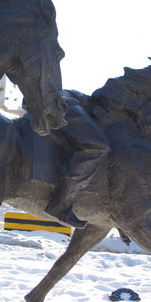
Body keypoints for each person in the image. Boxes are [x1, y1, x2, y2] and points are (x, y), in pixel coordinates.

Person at [44, 90, 110, 229]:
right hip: (64, 101)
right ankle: (60, 203)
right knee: (96, 147)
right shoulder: (120, 98)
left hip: (65, 99)